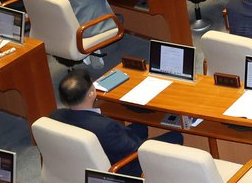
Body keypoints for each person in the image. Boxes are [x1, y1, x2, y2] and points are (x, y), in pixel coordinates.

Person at [50, 69, 183, 176]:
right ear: (90, 94)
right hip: (123, 165)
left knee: (140, 126)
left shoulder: (55, 117)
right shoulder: (105, 127)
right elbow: (134, 148)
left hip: (87, 159)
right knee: (176, 136)